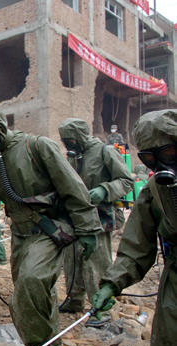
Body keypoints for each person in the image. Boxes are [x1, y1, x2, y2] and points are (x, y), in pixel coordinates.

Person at [0, 105, 102, 346]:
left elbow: (72, 186)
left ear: (0, 127)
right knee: (37, 294)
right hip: (21, 236)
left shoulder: (37, 146)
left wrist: (87, 228)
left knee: (29, 283)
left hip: (50, 230)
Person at [93, 110, 177, 346]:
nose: (161, 164)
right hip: (175, 285)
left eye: (167, 152)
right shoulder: (154, 193)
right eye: (149, 157)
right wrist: (111, 283)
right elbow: (135, 250)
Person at [58, 119, 133, 327]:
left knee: (96, 262)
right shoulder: (72, 156)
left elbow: (126, 181)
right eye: (65, 141)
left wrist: (105, 190)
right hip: (75, 218)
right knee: (72, 260)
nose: (68, 145)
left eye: (71, 140)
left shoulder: (105, 152)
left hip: (99, 217)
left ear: (81, 136)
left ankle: (99, 308)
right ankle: (74, 301)